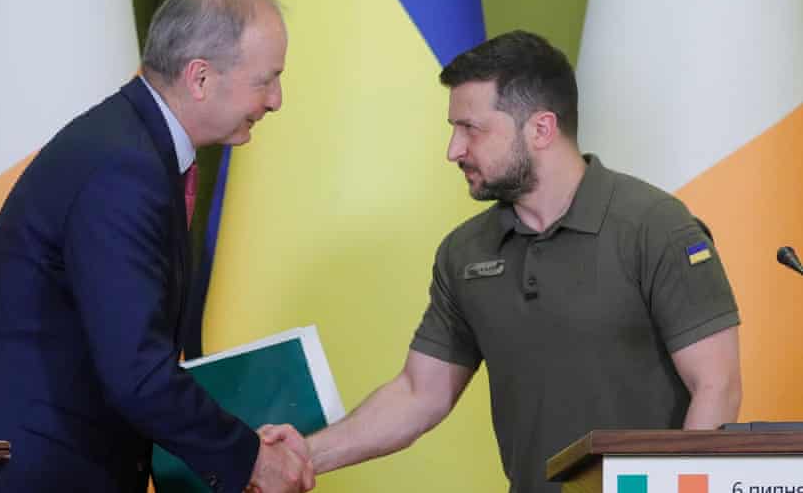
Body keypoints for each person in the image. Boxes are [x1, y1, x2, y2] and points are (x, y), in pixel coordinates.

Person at [263, 30, 742, 492]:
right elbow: (418, 393)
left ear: (541, 128)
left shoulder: (656, 227)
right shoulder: (464, 252)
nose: (453, 150)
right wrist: (302, 457)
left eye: (470, 129)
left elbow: (716, 387)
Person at [0, 0, 313, 493]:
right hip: (24, 466)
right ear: (200, 78)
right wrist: (249, 459)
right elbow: (137, 373)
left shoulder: (131, 143)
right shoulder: (123, 168)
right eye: (265, 79)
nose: (276, 100)